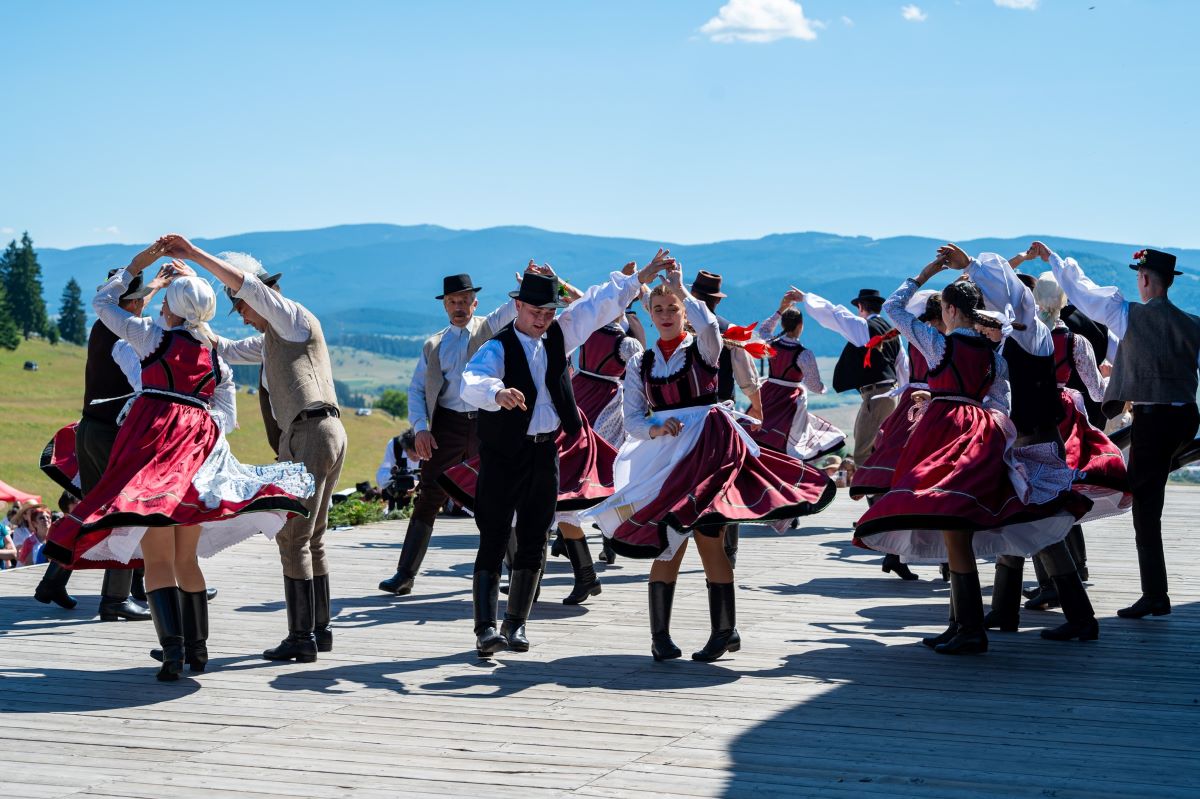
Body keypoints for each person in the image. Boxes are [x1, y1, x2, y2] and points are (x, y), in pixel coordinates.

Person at [44, 254, 314, 680]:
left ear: (172, 306)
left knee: (157, 559)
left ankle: (173, 653)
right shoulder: (214, 355)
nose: (161, 307)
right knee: (186, 558)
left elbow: (102, 305)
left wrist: (138, 267)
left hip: (153, 455)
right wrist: (195, 427)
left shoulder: (151, 338)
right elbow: (225, 416)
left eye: (166, 302)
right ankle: (198, 651)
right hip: (197, 458)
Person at [583, 263, 836, 662]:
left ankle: (724, 631)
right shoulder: (640, 363)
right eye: (660, 309)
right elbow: (633, 418)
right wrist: (655, 429)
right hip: (666, 459)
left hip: (711, 453)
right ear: (649, 314)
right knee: (667, 545)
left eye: (673, 308)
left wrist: (683, 289)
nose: (666, 315)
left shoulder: (703, 347)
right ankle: (661, 637)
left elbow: (709, 328)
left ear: (684, 312)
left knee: (710, 543)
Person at [855, 254, 1087, 655]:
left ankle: (971, 628)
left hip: (954, 436)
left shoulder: (942, 342)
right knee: (984, 521)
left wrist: (924, 273)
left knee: (965, 525)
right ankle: (969, 622)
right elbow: (1000, 400)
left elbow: (893, 309)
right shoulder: (995, 353)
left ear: (948, 309)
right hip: (988, 435)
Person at [460, 253, 668, 657]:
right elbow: (472, 380)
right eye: (536, 311)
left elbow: (595, 305)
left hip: (545, 452)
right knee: (495, 536)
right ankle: (486, 628)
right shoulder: (497, 347)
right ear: (518, 306)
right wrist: (496, 393)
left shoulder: (560, 333)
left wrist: (638, 278)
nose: (542, 319)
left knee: (536, 537)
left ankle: (516, 625)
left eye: (549, 312)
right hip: (504, 454)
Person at [163, 238, 347, 662]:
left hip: (311, 433)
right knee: (312, 536)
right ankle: (320, 630)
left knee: (293, 536)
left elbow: (247, 287)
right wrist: (193, 301)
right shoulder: (272, 339)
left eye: (243, 309)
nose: (243, 318)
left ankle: (302, 638)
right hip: (322, 432)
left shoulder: (291, 317)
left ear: (261, 300)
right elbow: (219, 348)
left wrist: (194, 255)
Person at [1043, 242, 1200, 619]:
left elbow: (1083, 293)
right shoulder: (1192, 323)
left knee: (1146, 508)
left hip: (1154, 420)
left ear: (1144, 280)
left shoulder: (1127, 314)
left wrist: (1054, 260)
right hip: (1187, 417)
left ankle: (1155, 594)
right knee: (1153, 482)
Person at [377, 271, 520, 596]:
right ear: (445, 305)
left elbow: (510, 310)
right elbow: (416, 391)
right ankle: (404, 575)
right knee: (429, 496)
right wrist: (422, 429)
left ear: (474, 302)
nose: (459, 306)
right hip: (447, 425)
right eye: (453, 301)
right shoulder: (434, 344)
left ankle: (514, 572)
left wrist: (525, 287)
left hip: (487, 422)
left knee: (498, 495)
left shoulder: (488, 329)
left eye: (464, 301)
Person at [795, 284, 913, 580]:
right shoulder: (891, 330)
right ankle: (884, 530)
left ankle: (878, 523)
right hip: (887, 396)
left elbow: (836, 317)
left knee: (865, 457)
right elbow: (904, 369)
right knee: (876, 457)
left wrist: (807, 298)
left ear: (862, 307)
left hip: (876, 397)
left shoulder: (866, 327)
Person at [851, 291, 942, 499]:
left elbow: (904, 367)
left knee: (895, 443)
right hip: (928, 394)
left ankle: (883, 494)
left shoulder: (915, 335)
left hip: (915, 395)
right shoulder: (942, 338)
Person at [753, 288, 845, 462]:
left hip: (767, 393)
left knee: (761, 432)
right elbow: (814, 386)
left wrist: (780, 310)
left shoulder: (771, 344)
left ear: (783, 324)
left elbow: (764, 329)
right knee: (788, 439)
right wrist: (824, 389)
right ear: (800, 326)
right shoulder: (804, 354)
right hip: (789, 399)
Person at [376, 430, 420, 513]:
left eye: (419, 451)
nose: (418, 456)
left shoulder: (431, 444)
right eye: (413, 452)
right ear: (405, 448)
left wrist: (417, 485)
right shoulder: (394, 445)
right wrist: (392, 475)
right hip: (398, 502)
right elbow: (381, 477)